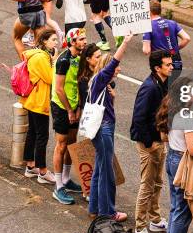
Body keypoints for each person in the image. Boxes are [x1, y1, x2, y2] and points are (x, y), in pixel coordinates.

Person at [87, 33, 132, 222]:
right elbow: (115, 61)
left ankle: (95, 207)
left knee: (99, 168)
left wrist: (112, 97)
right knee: (107, 173)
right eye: (115, 67)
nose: (119, 69)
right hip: (103, 129)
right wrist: (126, 43)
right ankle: (108, 212)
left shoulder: (101, 83)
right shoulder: (101, 79)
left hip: (101, 128)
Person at [130, 50, 174, 233]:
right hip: (149, 143)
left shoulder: (163, 84)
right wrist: (149, 143)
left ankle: (154, 219)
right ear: (157, 68)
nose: (172, 67)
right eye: (168, 65)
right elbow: (138, 118)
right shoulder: (150, 88)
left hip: (158, 141)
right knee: (147, 185)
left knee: (157, 182)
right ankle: (140, 226)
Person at [155, 77, 193, 233]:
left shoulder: (170, 109)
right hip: (183, 162)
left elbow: (163, 137)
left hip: (172, 157)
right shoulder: (186, 116)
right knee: (183, 210)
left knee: (175, 206)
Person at [50, 28, 87, 205]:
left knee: (72, 143)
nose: (84, 41)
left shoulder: (79, 58)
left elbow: (79, 83)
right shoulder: (63, 60)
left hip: (73, 105)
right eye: (81, 39)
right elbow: (58, 88)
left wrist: (78, 106)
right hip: (61, 106)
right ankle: (58, 187)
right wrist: (69, 110)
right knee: (62, 144)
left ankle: (66, 179)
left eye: (84, 38)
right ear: (72, 42)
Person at [22, 28, 58, 185]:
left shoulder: (35, 54)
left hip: (32, 99)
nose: (56, 43)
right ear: (44, 41)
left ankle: (30, 165)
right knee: (42, 135)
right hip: (39, 101)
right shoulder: (41, 58)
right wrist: (55, 60)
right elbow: (51, 78)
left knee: (32, 132)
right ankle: (42, 170)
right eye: (53, 40)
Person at [142, 0, 190, 71]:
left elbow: (146, 51)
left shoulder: (148, 27)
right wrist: (175, 49)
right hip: (176, 59)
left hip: (162, 63)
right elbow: (187, 38)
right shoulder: (172, 23)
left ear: (149, 11)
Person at [77, 43, 101, 110]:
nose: (101, 59)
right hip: (92, 114)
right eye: (97, 57)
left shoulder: (101, 71)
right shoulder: (84, 79)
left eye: (101, 56)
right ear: (88, 59)